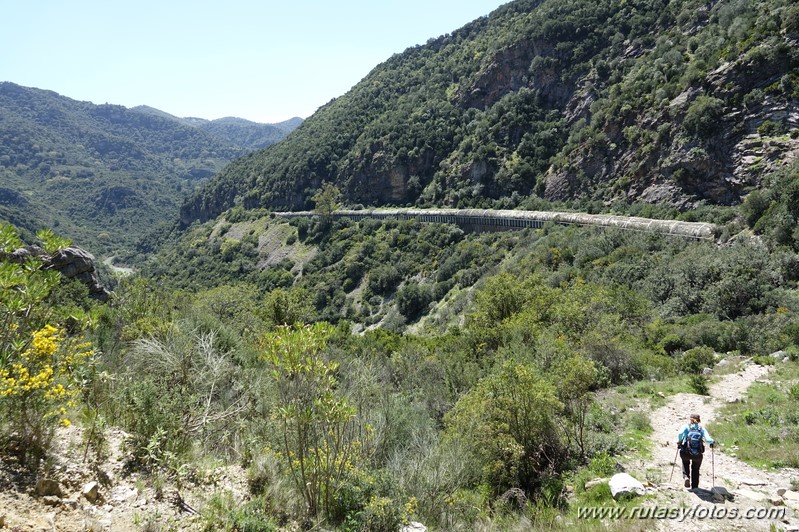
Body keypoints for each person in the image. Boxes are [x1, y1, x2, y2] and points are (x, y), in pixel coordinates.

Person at [677, 413, 715, 489]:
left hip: (686, 451)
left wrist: (680, 441)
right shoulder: (701, 429)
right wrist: (713, 442)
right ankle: (694, 486)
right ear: (699, 420)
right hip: (697, 454)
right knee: (695, 469)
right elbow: (708, 440)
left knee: (685, 462)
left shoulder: (686, 427)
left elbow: (680, 433)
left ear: (690, 419)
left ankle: (686, 477)